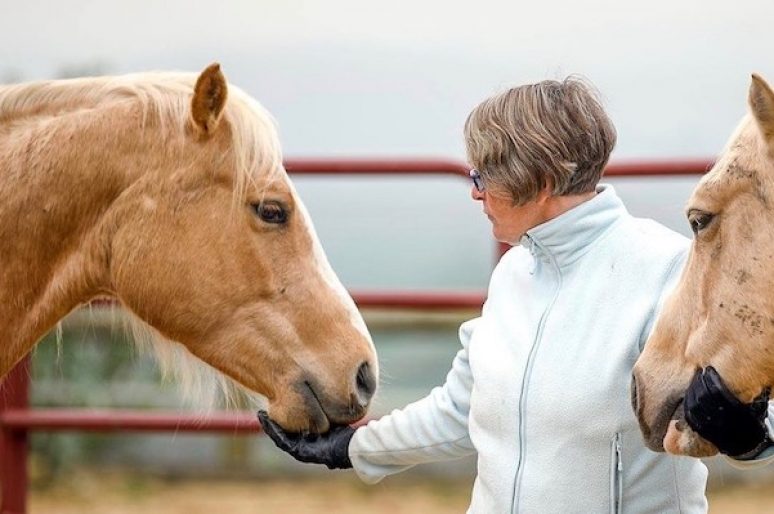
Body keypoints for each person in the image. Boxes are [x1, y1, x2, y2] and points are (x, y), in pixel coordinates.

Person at [258, 76, 709, 513]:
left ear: (542, 178)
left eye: (484, 176)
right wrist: (350, 447)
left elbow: (751, 415)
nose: (475, 193)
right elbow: (459, 409)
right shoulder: (513, 271)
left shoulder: (669, 271)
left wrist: (746, 433)